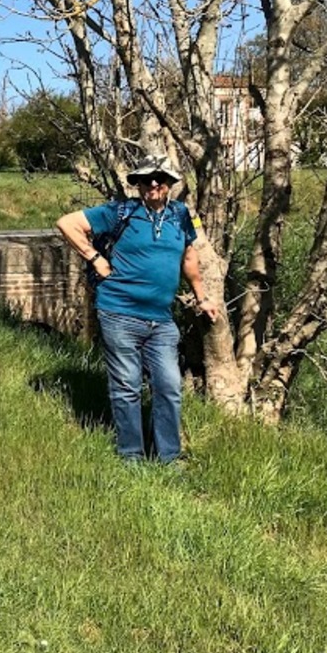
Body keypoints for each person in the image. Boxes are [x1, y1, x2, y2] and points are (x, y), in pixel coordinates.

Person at [55, 154, 219, 464]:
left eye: (160, 178)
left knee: (169, 386)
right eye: (146, 179)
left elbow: (189, 258)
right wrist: (95, 259)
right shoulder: (121, 212)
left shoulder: (181, 215)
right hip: (119, 312)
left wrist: (202, 297)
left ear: (170, 182)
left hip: (161, 320)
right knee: (127, 386)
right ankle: (131, 456)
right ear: (138, 183)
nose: (153, 183)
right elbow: (67, 223)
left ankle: (168, 458)